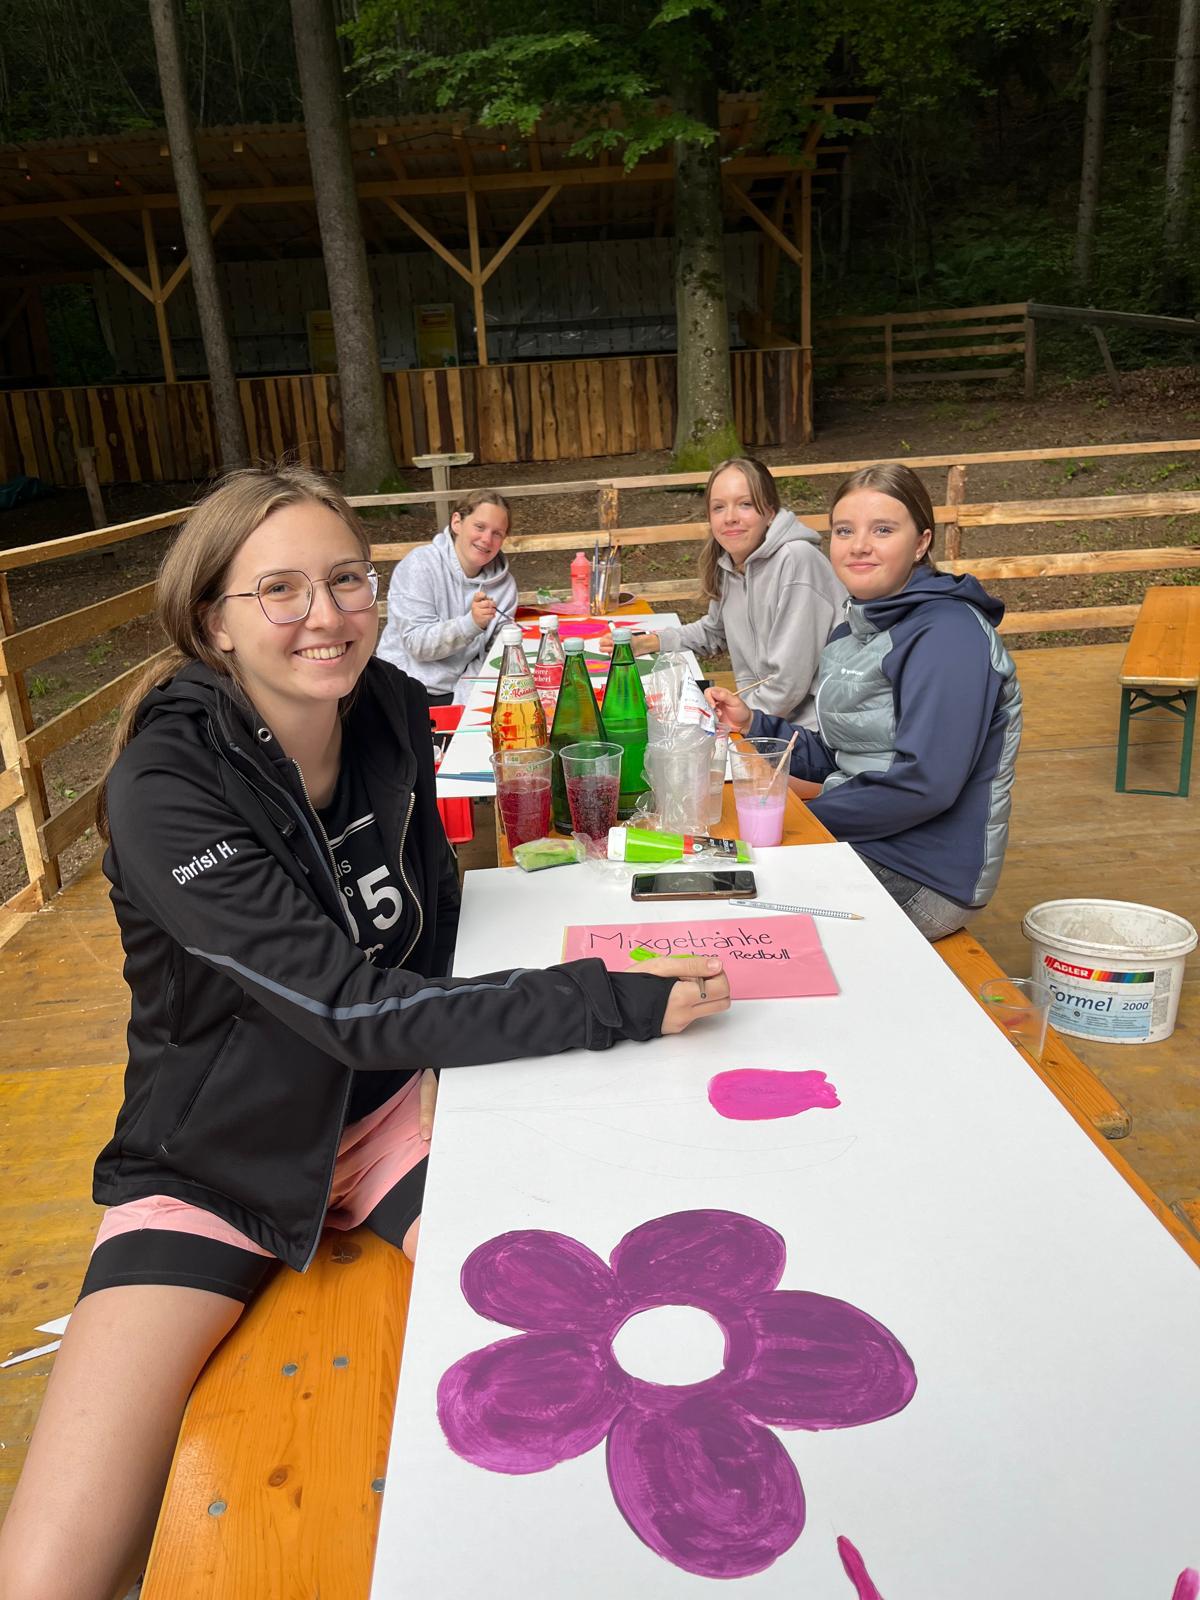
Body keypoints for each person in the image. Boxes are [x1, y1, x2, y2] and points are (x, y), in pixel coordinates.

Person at [0, 466, 730, 1600]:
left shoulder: (387, 707)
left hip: (392, 1108)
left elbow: (428, 916)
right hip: (216, 1158)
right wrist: (606, 997)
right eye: (279, 590)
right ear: (213, 621)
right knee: (51, 1570)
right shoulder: (165, 785)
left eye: (346, 580)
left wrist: (449, 1060)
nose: (325, 615)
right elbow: (342, 1005)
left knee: (597, 1358)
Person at [707, 463, 1022, 940]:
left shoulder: (948, 634)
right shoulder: (854, 629)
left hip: (922, 874)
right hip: (865, 840)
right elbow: (839, 753)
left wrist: (803, 819)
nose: (859, 545)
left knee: (732, 914)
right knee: (706, 869)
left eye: (883, 530)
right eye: (844, 530)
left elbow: (923, 785)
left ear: (921, 542)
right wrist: (755, 722)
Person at [600, 456, 845, 728]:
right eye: (719, 507)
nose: (730, 518)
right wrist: (648, 642)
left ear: (770, 512)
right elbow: (714, 632)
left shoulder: (797, 561)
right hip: (763, 716)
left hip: (813, 730)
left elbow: (787, 684)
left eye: (745, 504)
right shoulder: (732, 564)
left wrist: (732, 722)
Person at [376, 489, 519, 705]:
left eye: (497, 533)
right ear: (457, 523)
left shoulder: (505, 587)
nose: (487, 539)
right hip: (404, 689)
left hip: (461, 691)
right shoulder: (419, 565)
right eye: (479, 527)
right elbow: (417, 644)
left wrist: (465, 699)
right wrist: (471, 624)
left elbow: (495, 655)